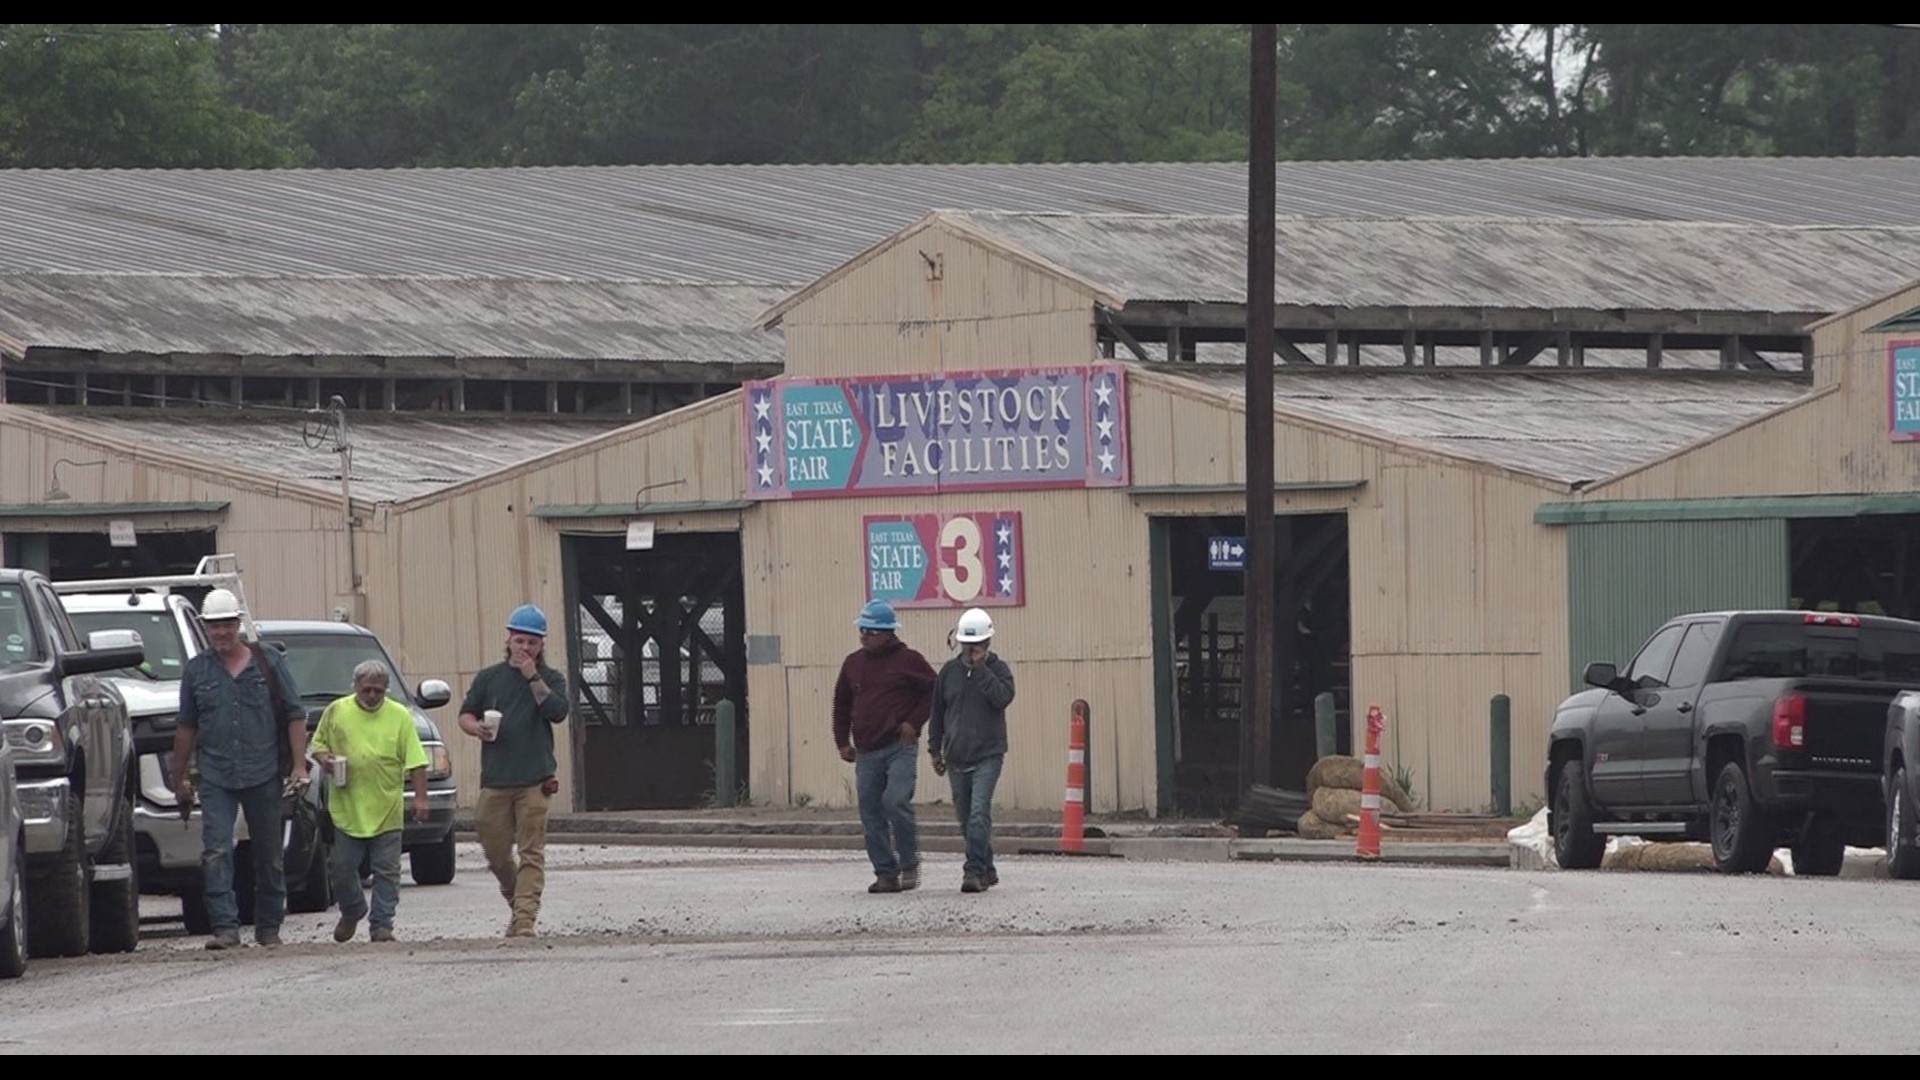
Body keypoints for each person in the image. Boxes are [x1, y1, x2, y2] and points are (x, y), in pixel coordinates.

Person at [171, 588, 308, 950]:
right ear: (205, 627)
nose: (220, 633)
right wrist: (179, 775)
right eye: (214, 626)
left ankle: (269, 928)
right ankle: (225, 928)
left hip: (264, 772)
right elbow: (186, 726)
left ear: (238, 624)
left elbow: (295, 714)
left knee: (269, 855)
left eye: (226, 625)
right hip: (216, 775)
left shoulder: (269, 662)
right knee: (216, 849)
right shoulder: (196, 671)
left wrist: (298, 766)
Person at [457, 603, 569, 938]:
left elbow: (557, 712)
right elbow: (465, 714)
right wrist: (475, 728)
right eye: (520, 641)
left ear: (541, 646)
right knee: (495, 851)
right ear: (508, 639)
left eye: (532, 643)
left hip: (535, 781)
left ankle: (524, 919)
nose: (525, 648)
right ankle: (515, 897)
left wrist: (532, 676)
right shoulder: (489, 678)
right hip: (496, 780)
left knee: (531, 851)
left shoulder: (550, 678)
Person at [310, 660, 430, 943]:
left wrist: (421, 799)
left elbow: (417, 762)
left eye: (378, 691)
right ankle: (352, 909)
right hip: (347, 808)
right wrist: (325, 759)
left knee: (387, 871)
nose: (373, 696)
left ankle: (382, 925)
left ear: (387, 690)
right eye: (367, 691)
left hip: (386, 807)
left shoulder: (400, 717)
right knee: (340, 867)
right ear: (355, 688)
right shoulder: (337, 711)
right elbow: (318, 745)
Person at [833, 600, 937, 894]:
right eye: (862, 630)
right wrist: (842, 742)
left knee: (896, 802)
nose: (865, 635)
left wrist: (913, 723)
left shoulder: (909, 661)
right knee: (870, 810)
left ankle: (908, 863)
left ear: (889, 633)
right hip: (866, 751)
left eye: (872, 631)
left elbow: (933, 690)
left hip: (899, 747)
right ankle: (885, 872)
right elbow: (840, 704)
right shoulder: (853, 663)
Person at [928, 607, 1016, 893]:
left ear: (988, 643)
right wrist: (935, 750)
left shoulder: (999, 670)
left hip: (988, 754)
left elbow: (1002, 698)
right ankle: (987, 866)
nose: (971, 650)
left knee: (979, 812)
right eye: (967, 645)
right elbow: (938, 713)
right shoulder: (949, 673)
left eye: (976, 645)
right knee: (966, 818)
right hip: (956, 756)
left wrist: (981, 672)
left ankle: (973, 871)